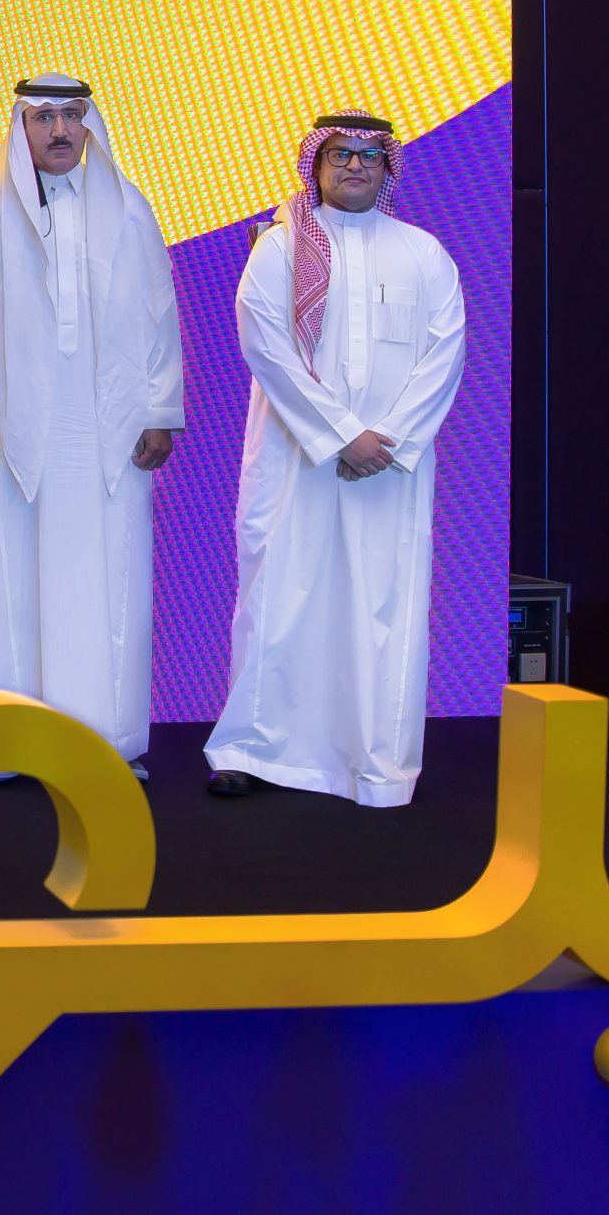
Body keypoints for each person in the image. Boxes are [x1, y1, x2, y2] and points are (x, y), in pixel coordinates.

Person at [203, 111, 467, 805]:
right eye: (340, 155)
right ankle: (250, 751)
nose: (353, 166)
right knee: (278, 599)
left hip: (389, 468)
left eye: (367, 156)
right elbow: (267, 348)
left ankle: (372, 763)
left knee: (380, 609)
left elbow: (446, 354)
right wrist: (343, 434)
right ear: (316, 165)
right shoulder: (280, 249)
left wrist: (390, 438)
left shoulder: (423, 253)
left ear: (386, 169)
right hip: (297, 460)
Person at [0, 75, 184, 780]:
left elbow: (160, 316)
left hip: (110, 430)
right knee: (7, 578)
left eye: (72, 115)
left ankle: (102, 742)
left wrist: (160, 410)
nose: (60, 131)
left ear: (89, 123)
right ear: (21, 127)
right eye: (43, 117)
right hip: (11, 432)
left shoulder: (129, 209)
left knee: (106, 579)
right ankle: (4, 743)